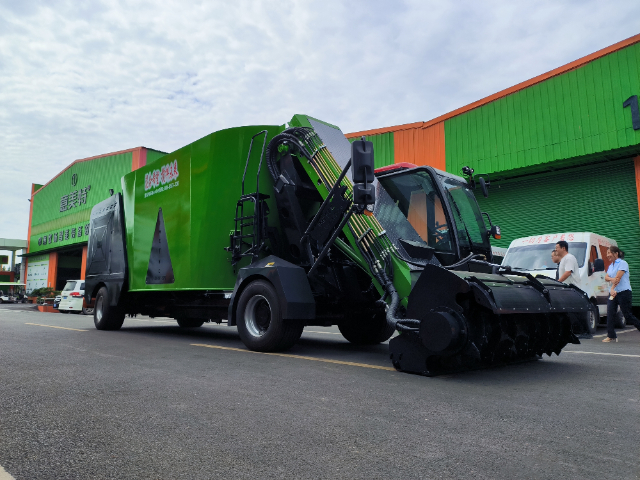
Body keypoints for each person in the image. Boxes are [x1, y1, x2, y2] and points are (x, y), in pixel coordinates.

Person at [603, 246, 640, 342]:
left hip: (624, 292)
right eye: (607, 253)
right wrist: (612, 280)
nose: (607, 255)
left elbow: (618, 278)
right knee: (610, 313)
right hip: (613, 293)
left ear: (616, 254)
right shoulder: (611, 266)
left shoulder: (623, 263)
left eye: (609, 253)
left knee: (628, 315)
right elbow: (606, 278)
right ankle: (611, 335)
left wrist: (612, 288)